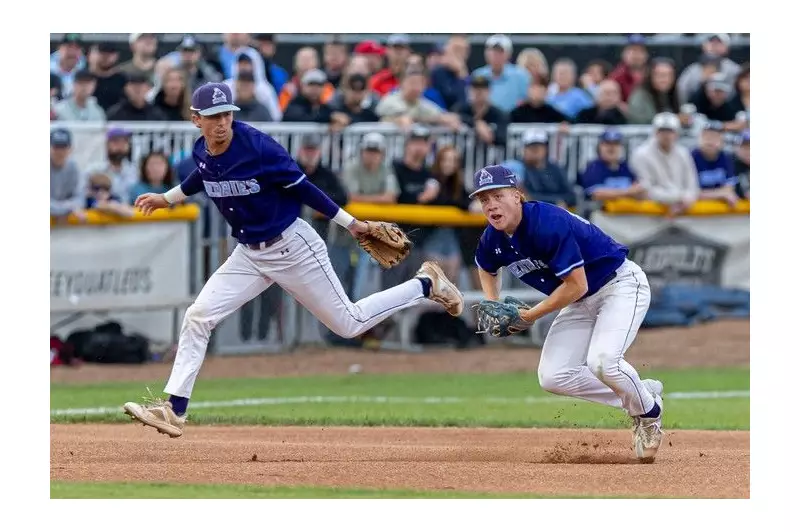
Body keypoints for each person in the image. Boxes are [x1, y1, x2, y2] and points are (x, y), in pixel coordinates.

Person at [122, 83, 464, 437]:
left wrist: (353, 224)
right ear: (196, 120)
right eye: (213, 116)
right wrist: (168, 197)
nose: (222, 122)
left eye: (227, 114)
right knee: (198, 316)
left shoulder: (259, 147)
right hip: (249, 254)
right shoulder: (202, 150)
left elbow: (304, 188)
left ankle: (426, 284)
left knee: (349, 323)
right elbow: (204, 173)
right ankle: (174, 409)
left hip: (293, 247)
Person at [469, 164, 664, 462]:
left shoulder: (546, 223)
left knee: (603, 361)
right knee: (554, 376)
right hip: (578, 301)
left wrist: (529, 316)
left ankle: (649, 414)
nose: (491, 205)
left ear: (517, 195)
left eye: (498, 195)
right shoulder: (492, 238)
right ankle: (641, 394)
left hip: (619, 286)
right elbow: (485, 266)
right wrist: (492, 301)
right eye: (484, 199)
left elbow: (576, 284)